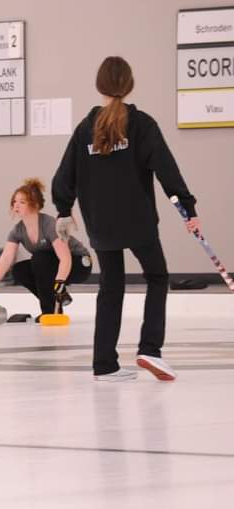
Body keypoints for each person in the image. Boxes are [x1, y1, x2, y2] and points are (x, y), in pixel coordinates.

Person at [52, 56, 200, 382]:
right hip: (138, 221)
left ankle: (104, 364)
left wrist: (64, 210)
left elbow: (63, 178)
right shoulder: (142, 124)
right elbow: (167, 171)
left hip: (101, 224)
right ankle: (150, 349)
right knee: (158, 277)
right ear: (129, 84)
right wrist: (188, 209)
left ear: (99, 85)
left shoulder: (85, 129)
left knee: (111, 286)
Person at [0, 178, 93, 316]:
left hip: (78, 264)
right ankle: (55, 304)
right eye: (14, 202)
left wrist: (60, 282)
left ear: (34, 205)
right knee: (20, 270)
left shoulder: (49, 225)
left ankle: (50, 312)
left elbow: (65, 258)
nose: (16, 205)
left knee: (40, 259)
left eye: (22, 202)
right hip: (52, 265)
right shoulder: (18, 231)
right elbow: (6, 258)